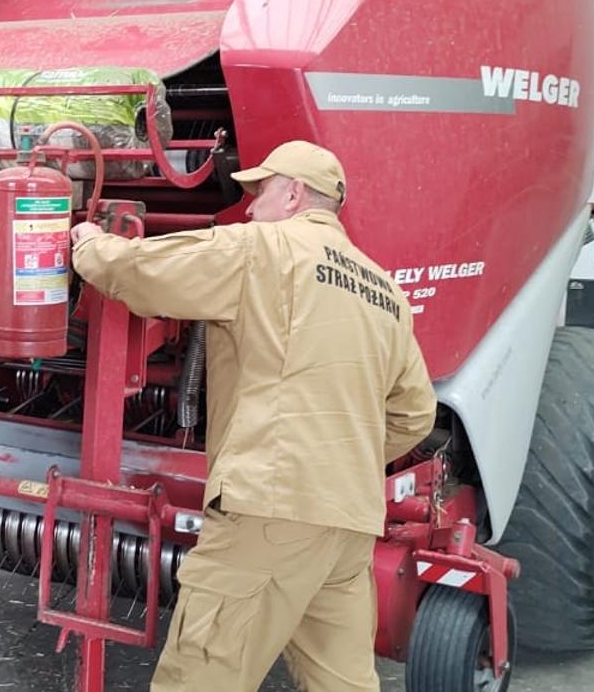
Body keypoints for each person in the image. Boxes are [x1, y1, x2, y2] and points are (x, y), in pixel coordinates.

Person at [69, 140, 437, 692]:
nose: (249, 207)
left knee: (201, 676)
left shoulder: (263, 249)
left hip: (271, 509)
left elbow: (147, 272)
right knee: (343, 683)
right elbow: (414, 413)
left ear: (292, 194)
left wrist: (90, 246)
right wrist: (340, 455)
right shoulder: (385, 290)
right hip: (348, 524)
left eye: (260, 191)